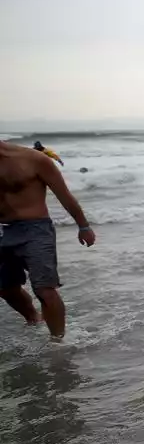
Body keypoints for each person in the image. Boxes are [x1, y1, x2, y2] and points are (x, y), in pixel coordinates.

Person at [0, 141, 96, 340]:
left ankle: (57, 342)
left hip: (34, 228)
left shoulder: (34, 159)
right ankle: (33, 318)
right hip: (2, 231)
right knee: (6, 288)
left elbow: (64, 195)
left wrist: (83, 226)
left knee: (44, 288)